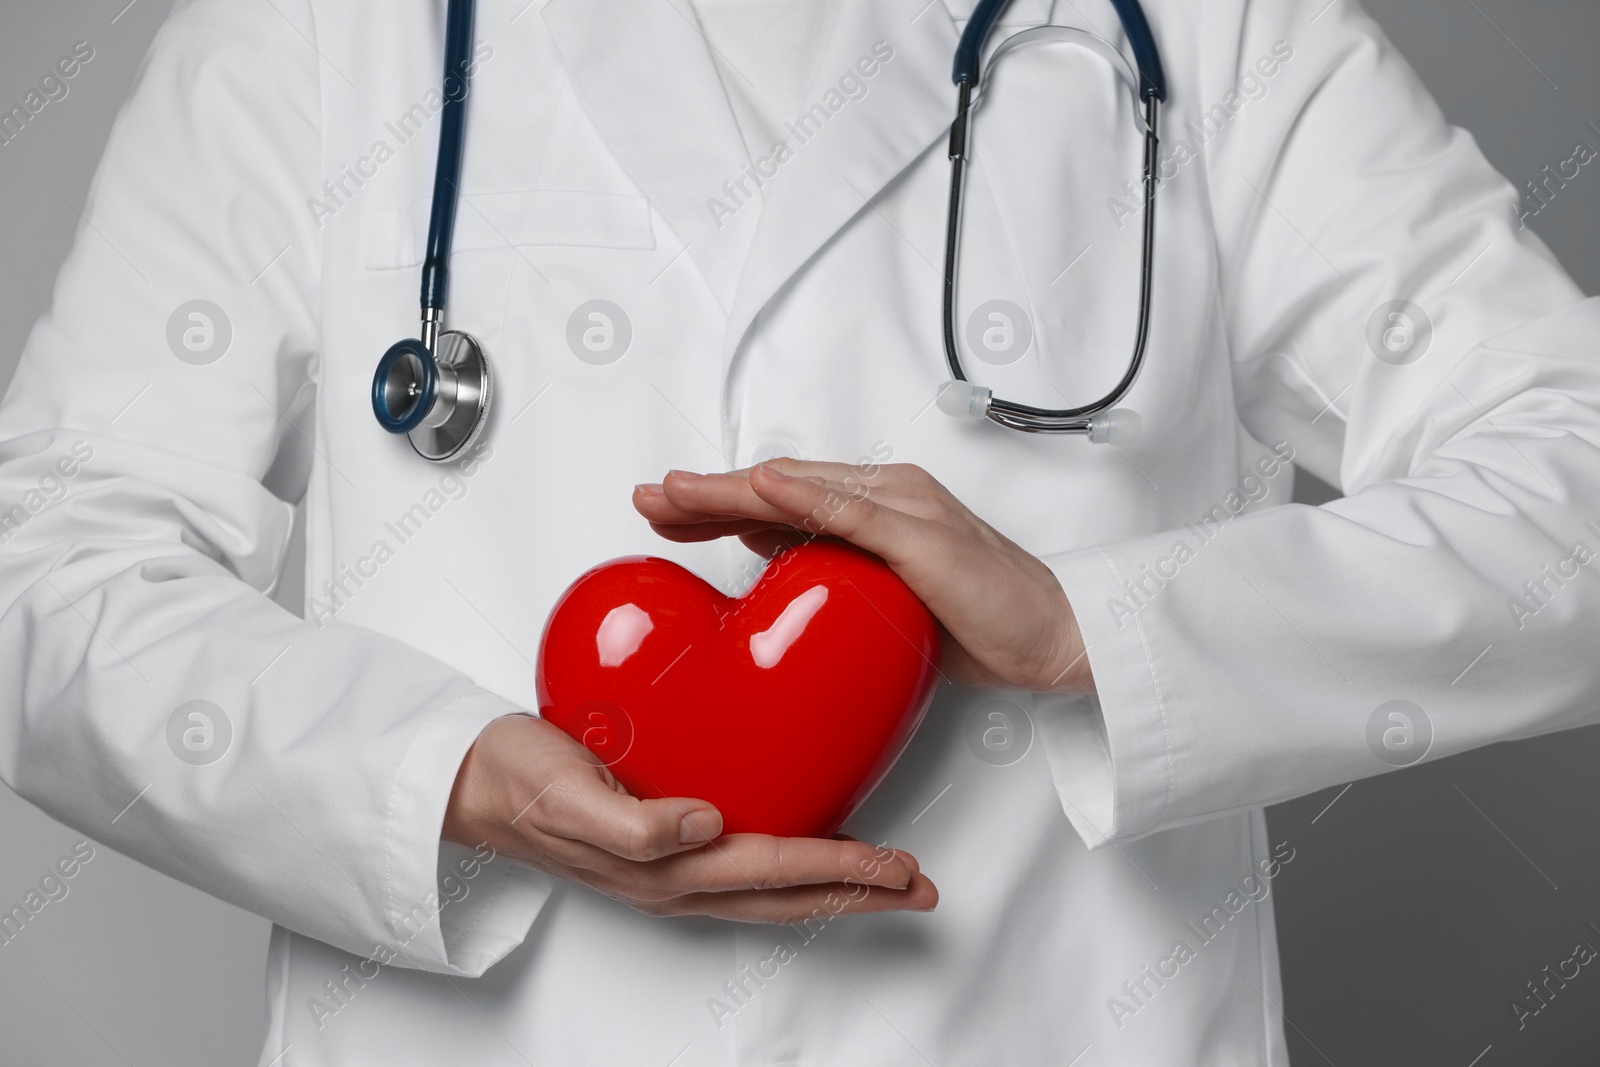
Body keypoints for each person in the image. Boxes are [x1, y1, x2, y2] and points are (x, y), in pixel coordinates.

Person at [1, 0, 1596, 1062]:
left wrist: (1096, 634)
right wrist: (443, 778)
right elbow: (50, 560)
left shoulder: (1207, 28)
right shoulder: (316, 35)